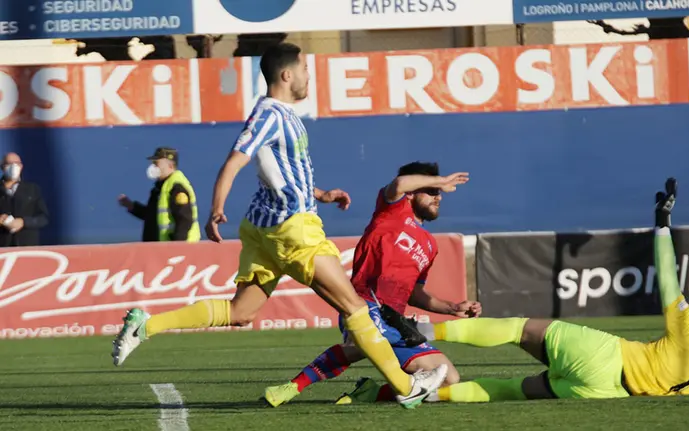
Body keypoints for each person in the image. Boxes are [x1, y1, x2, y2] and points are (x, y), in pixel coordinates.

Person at [111, 43, 448, 409]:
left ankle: (145, 325)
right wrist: (216, 208)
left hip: (264, 227)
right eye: (304, 69)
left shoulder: (282, 115)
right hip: (292, 230)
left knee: (241, 312)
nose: (307, 76)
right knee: (355, 307)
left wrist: (320, 193)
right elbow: (234, 161)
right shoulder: (269, 114)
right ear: (287, 75)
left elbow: (274, 171)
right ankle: (405, 385)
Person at [416, 178, 689, 403]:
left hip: (606, 356)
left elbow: (668, 278)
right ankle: (431, 398)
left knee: (518, 329)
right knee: (511, 390)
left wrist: (661, 224)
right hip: (603, 393)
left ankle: (420, 330)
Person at [262, 162, 479, 407]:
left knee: (449, 377)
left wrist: (453, 308)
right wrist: (440, 180)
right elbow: (399, 184)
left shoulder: (430, 245)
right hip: (363, 305)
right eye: (430, 190)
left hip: (395, 320)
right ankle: (292, 387)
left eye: (438, 192)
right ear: (412, 193)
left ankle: (370, 392)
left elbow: (415, 293)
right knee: (363, 344)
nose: (438, 196)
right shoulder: (391, 210)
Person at [118, 147, 200, 242]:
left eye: (156, 163)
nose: (153, 167)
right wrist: (132, 206)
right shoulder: (159, 189)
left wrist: (177, 247)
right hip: (157, 248)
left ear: (170, 165)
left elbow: (184, 220)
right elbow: (153, 215)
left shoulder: (177, 187)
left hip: (173, 250)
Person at [0, 152, 50, 247]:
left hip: (27, 247)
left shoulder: (32, 189)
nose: (14, 167)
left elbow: (43, 218)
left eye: (17, 163)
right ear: (2, 167)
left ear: (21, 166)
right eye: (9, 164)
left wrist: (23, 222)